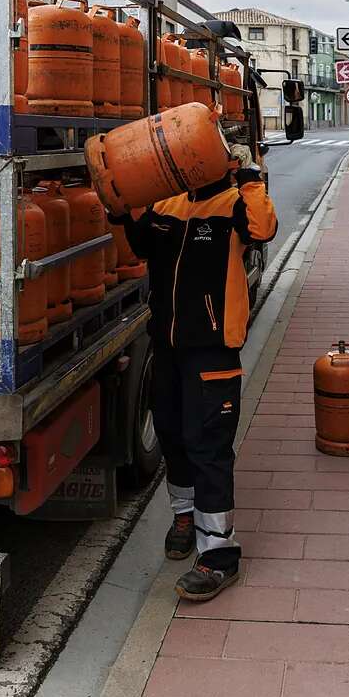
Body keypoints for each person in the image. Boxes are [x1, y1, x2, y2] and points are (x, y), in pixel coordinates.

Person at [115, 143, 277, 601]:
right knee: (172, 435)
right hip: (166, 347)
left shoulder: (234, 205)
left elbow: (264, 229)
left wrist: (248, 174)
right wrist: (123, 209)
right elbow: (143, 243)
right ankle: (183, 516)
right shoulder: (169, 204)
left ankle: (219, 555)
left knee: (209, 448)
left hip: (212, 352)